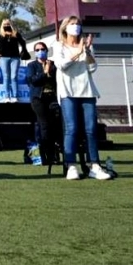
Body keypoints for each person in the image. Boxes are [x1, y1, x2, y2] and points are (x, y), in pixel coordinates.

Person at [53, 16, 111, 181]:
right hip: (68, 92)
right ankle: (71, 165)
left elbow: (92, 68)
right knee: (72, 128)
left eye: (78, 24)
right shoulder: (59, 46)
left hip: (87, 91)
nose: (76, 27)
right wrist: (76, 53)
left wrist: (86, 52)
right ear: (65, 27)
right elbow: (61, 65)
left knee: (91, 129)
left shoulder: (86, 45)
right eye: (72, 24)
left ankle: (95, 165)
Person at [27, 42, 60, 166]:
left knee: (54, 126)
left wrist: (48, 72)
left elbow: (57, 79)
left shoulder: (53, 65)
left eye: (42, 49)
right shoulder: (32, 65)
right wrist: (44, 73)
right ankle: (45, 155)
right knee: (44, 126)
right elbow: (32, 81)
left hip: (52, 97)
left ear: (47, 50)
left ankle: (54, 153)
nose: (40, 51)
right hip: (38, 99)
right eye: (37, 50)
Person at [0, 19, 29, 103]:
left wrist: (23, 51)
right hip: (3, 58)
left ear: (11, 24)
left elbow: (23, 42)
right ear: (2, 25)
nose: (6, 25)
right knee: (6, 76)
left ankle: (15, 96)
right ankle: (7, 96)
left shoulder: (15, 34)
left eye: (8, 24)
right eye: (5, 24)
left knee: (13, 76)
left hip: (15, 57)